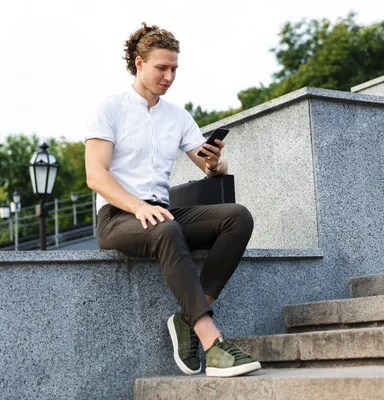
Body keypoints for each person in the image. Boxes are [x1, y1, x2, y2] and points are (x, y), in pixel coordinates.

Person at [83, 22, 261, 378]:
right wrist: (138, 206)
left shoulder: (177, 116)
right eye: (161, 68)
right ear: (139, 63)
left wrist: (215, 162)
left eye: (174, 69)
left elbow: (208, 165)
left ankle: (187, 316)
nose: (169, 76)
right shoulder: (110, 108)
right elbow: (96, 175)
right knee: (164, 225)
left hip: (160, 214)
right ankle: (211, 341)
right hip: (118, 217)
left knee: (237, 218)